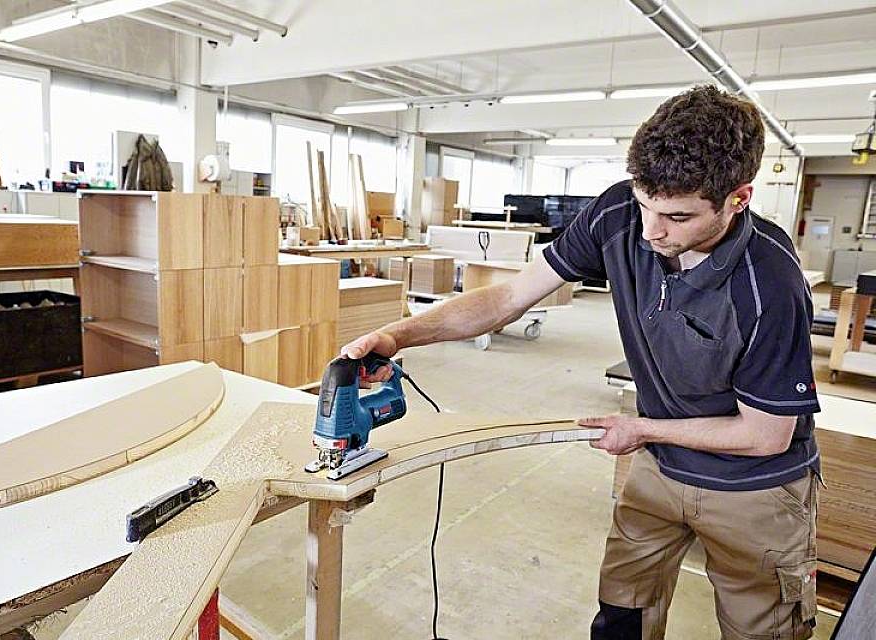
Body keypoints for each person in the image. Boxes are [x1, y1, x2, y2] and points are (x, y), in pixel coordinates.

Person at [340, 85, 821, 639]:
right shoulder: (619, 212)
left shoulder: (770, 285)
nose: (650, 231)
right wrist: (398, 335)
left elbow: (764, 435)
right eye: (644, 204)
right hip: (659, 462)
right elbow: (506, 299)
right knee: (622, 612)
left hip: (753, 490)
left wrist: (640, 426)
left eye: (676, 216)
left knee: (761, 630)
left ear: (739, 197)